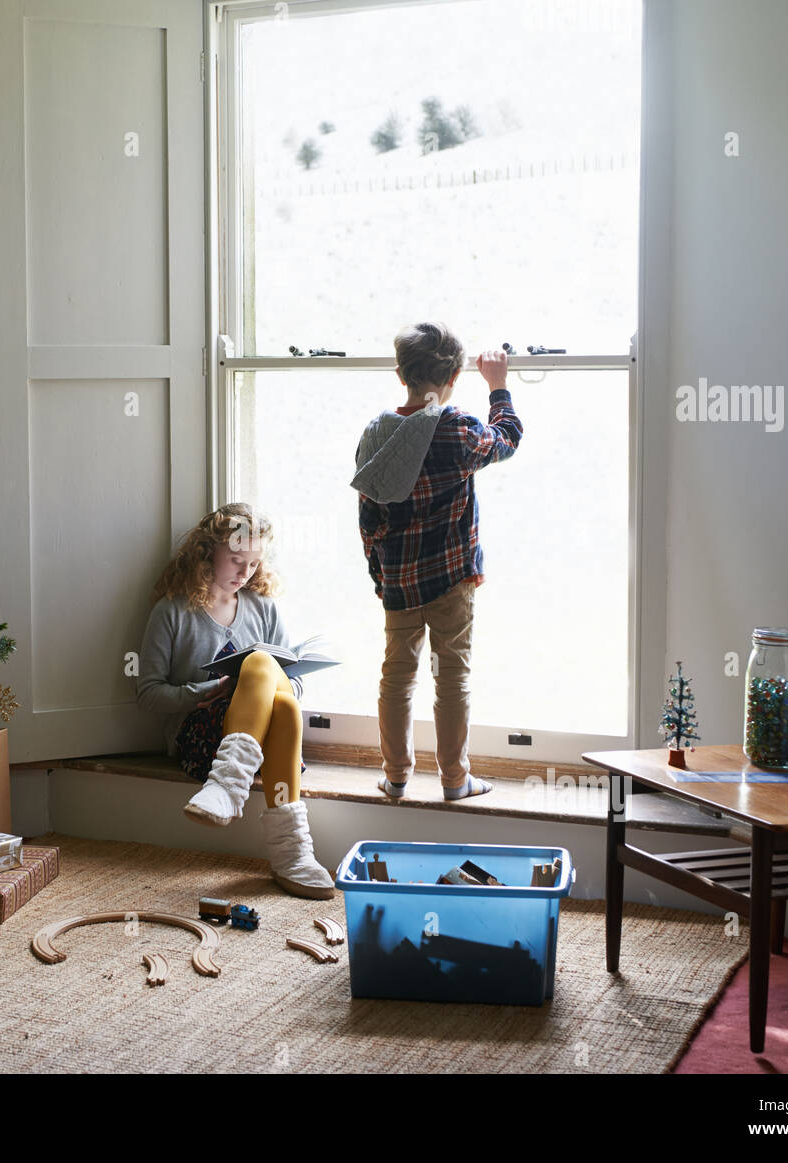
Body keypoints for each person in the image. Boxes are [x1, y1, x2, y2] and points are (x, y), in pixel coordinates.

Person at [350, 321, 524, 802]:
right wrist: (500, 386)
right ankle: (454, 779)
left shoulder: (378, 432)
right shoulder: (456, 429)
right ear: (454, 377)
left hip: (400, 581)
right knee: (452, 677)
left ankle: (396, 775)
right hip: (451, 578)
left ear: (400, 373)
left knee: (397, 676)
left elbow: (368, 517)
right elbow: (507, 438)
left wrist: (380, 576)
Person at [136, 503, 334, 899]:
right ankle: (291, 854)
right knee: (264, 667)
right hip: (202, 740)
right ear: (207, 554)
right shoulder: (173, 611)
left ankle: (232, 793)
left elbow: (289, 682)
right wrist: (207, 691)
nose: (245, 573)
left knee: (283, 700)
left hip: (254, 752)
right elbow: (148, 693)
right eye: (236, 560)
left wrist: (270, 681)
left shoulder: (263, 607)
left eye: (253, 563)